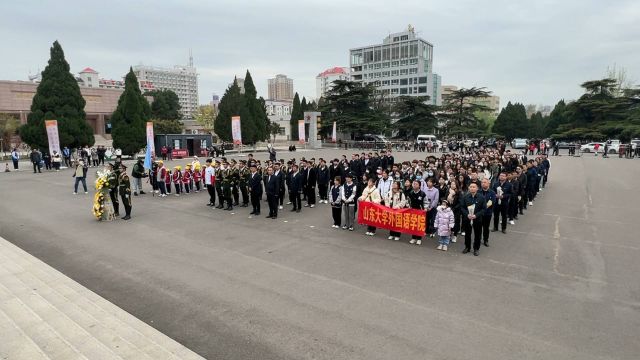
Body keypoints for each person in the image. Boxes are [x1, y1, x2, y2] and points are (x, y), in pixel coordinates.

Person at [460, 182, 486, 256]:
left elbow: (484, 209)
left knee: (478, 234)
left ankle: (476, 248)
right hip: (467, 219)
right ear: (469, 188)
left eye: (474, 187)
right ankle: (467, 247)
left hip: (477, 219)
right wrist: (467, 214)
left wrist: (476, 215)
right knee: (467, 233)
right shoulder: (465, 197)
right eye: (471, 187)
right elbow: (462, 207)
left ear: (477, 188)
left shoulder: (481, 197)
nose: (472, 188)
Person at [407, 180, 428, 245]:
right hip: (413, 211)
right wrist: (409, 206)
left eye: (416, 184)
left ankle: (419, 239)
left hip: (420, 212)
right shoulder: (411, 193)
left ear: (419, 186)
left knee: (419, 225)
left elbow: (426, 202)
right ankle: (413, 238)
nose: (414, 185)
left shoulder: (422, 194)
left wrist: (425, 208)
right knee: (413, 224)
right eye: (413, 184)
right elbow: (407, 201)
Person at [479, 178, 496, 247]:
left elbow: (491, 202)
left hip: (487, 213)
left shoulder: (492, 193)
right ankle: (478, 239)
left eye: (485, 182)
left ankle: (486, 240)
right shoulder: (478, 192)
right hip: (479, 214)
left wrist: (483, 207)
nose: (483, 183)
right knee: (478, 228)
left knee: (486, 228)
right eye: (482, 182)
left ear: (488, 183)